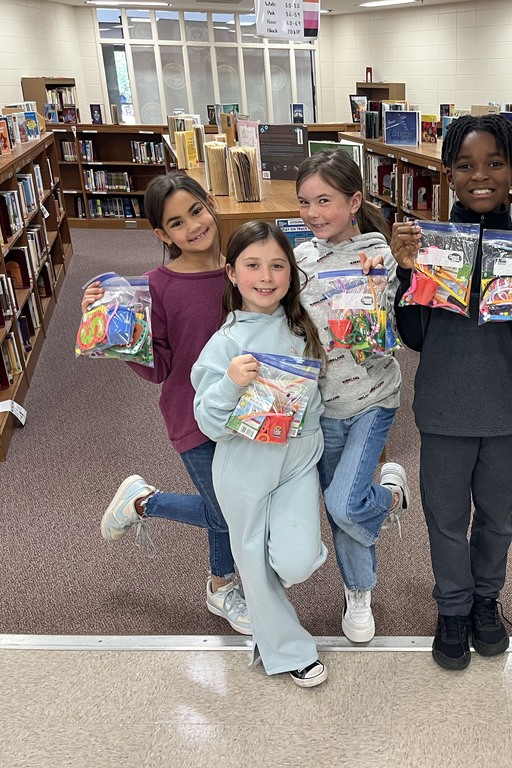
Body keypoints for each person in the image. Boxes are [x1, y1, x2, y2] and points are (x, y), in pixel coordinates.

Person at [390, 114, 512, 671]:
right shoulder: (433, 245)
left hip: (504, 410)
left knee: (496, 518)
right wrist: (406, 273)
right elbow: (415, 337)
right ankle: (453, 608)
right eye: (465, 165)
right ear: (448, 173)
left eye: (495, 163)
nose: (480, 175)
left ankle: (486, 600)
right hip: (443, 409)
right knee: (445, 518)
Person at [82, 173, 250, 636]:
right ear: (162, 234)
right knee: (226, 511)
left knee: (236, 502)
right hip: (191, 418)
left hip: (249, 413)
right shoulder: (155, 287)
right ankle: (145, 503)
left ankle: (221, 582)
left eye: (196, 211)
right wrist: (110, 325)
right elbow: (156, 368)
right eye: (177, 223)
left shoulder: (244, 268)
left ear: (210, 203)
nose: (193, 226)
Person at [191, 220, 329, 688]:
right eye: (252, 265)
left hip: (297, 461)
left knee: (296, 560)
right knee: (251, 560)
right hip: (244, 466)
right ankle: (289, 649)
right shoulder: (225, 344)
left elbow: (315, 399)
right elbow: (208, 422)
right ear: (232, 274)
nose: (266, 277)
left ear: (292, 271)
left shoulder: (302, 327)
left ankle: (261, 592)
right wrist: (231, 382)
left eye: (277, 265)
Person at [293, 150, 410, 644]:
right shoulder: (299, 260)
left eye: (325, 200)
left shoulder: (381, 254)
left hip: (372, 398)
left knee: (343, 504)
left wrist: (379, 291)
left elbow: (397, 328)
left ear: (355, 201)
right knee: (339, 502)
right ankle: (357, 584)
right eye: (304, 202)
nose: (313, 213)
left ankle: (362, 586)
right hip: (321, 405)